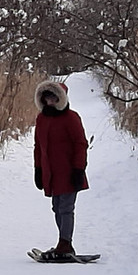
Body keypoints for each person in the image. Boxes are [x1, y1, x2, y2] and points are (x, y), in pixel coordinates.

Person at [33, 79, 89, 257]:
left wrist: (79, 169)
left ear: (61, 99)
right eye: (47, 98)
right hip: (51, 173)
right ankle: (63, 243)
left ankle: (65, 244)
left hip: (69, 171)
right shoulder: (42, 119)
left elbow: (80, 144)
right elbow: (38, 146)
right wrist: (38, 169)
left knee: (66, 208)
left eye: (54, 98)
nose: (50, 101)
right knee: (57, 207)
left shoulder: (71, 118)